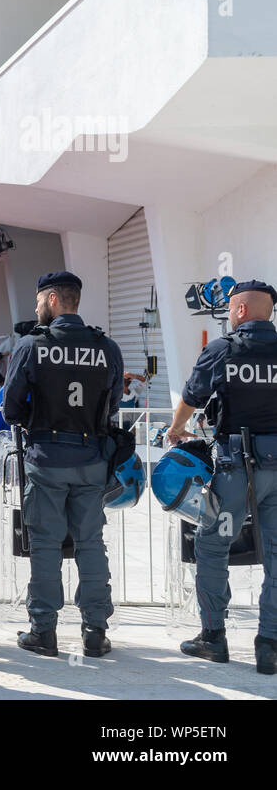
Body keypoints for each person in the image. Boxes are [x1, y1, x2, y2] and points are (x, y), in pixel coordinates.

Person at [2, 271, 123, 659]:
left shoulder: (33, 345)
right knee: (91, 542)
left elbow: (10, 408)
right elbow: (114, 405)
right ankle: (95, 629)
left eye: (39, 301)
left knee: (45, 544)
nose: (36, 308)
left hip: (46, 459)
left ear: (53, 300)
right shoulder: (106, 347)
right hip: (91, 459)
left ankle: (44, 629)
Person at [165, 280, 277, 674]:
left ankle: (213, 637)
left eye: (230, 308)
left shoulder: (223, 349)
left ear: (242, 310)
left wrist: (176, 429)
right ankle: (270, 646)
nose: (229, 315)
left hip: (233, 470)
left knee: (213, 548)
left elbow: (192, 396)